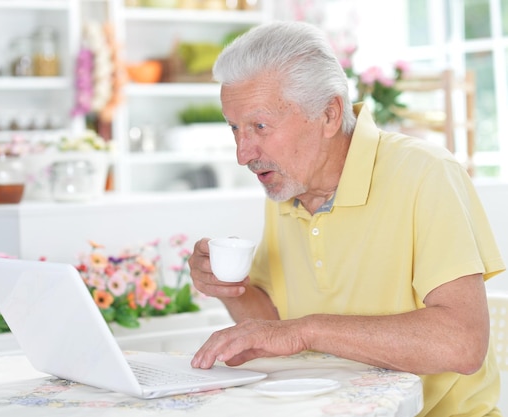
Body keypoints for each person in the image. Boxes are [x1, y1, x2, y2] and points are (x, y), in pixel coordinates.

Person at [187, 21, 506, 417]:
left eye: (260, 126)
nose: (243, 153)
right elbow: (274, 330)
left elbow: (461, 343)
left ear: (329, 114)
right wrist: (232, 288)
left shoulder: (425, 173)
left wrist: (306, 330)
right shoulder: (286, 185)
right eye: (234, 128)